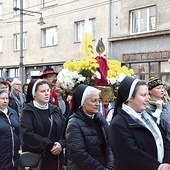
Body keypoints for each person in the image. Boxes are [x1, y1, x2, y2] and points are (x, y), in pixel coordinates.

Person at [109, 76, 170, 170]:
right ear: (130, 98)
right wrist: (158, 167)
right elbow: (132, 156)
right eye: (143, 95)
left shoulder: (147, 117)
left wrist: (167, 161)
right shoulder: (118, 124)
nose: (147, 99)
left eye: (147, 95)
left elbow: (164, 139)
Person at [64, 84, 114, 170]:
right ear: (83, 103)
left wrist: (110, 166)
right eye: (94, 101)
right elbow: (79, 154)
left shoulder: (99, 118)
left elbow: (110, 143)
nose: (97, 104)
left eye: (99, 100)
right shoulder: (74, 123)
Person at [20, 79, 66, 170]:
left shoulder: (55, 110)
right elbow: (27, 134)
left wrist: (61, 143)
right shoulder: (28, 111)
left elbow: (65, 129)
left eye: (48, 90)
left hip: (56, 156)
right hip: (38, 158)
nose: (46, 93)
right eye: (42, 91)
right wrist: (49, 144)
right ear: (34, 94)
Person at [0, 89, 21, 170]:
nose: (5, 101)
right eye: (2, 99)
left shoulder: (13, 112)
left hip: (15, 154)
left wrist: (20, 142)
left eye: (7, 98)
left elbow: (18, 130)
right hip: (2, 155)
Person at [147, 77, 170, 141]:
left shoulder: (168, 101)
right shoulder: (147, 107)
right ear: (150, 91)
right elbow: (152, 124)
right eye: (158, 88)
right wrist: (158, 109)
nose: (162, 90)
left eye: (162, 87)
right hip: (163, 140)